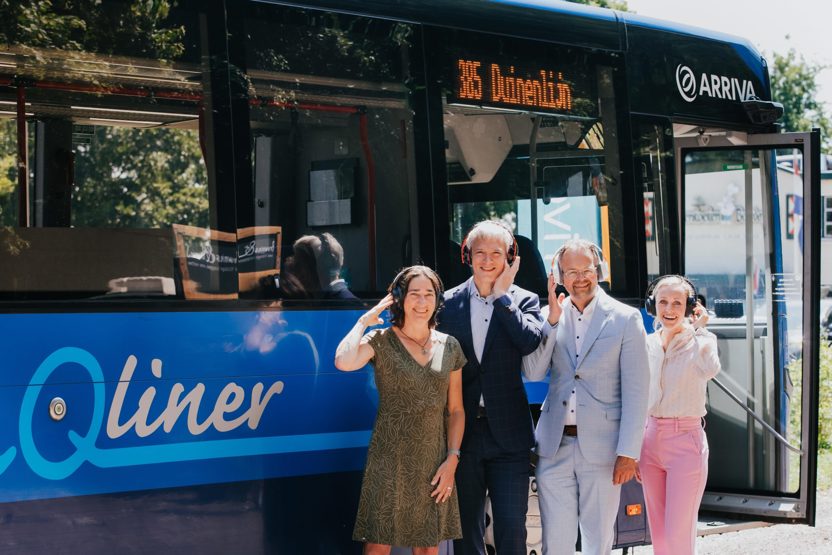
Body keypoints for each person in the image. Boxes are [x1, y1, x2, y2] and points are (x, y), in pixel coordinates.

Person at [522, 238, 649, 555]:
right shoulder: (549, 315)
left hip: (604, 451)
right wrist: (550, 321)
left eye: (586, 270)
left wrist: (629, 452)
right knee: (557, 543)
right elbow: (534, 372)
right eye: (571, 272)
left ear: (599, 271)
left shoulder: (625, 318)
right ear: (559, 276)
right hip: (554, 447)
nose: (580, 278)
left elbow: (637, 391)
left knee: (597, 543)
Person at [334, 265, 466, 555]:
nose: (422, 303)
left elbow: (455, 411)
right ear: (399, 298)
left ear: (437, 299)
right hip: (388, 459)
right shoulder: (380, 340)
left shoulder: (450, 346)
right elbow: (343, 361)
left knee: (428, 549)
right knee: (378, 547)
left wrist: (452, 460)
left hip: (434, 461)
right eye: (414, 294)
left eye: (428, 294)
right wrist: (363, 322)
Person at [437, 220, 543, 555]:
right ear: (467, 255)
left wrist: (501, 296)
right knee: (465, 532)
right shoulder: (447, 303)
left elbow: (528, 341)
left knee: (512, 529)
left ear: (509, 257)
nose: (487, 260)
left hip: (509, 436)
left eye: (496, 253)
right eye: (479, 252)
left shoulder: (523, 300)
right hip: (463, 433)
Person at [637, 275, 721, 555]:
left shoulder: (700, 342)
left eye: (677, 303)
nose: (669, 309)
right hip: (649, 442)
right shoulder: (646, 343)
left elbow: (711, 369)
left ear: (690, 307)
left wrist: (701, 330)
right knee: (659, 535)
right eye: (663, 302)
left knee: (678, 536)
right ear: (652, 305)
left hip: (685, 442)